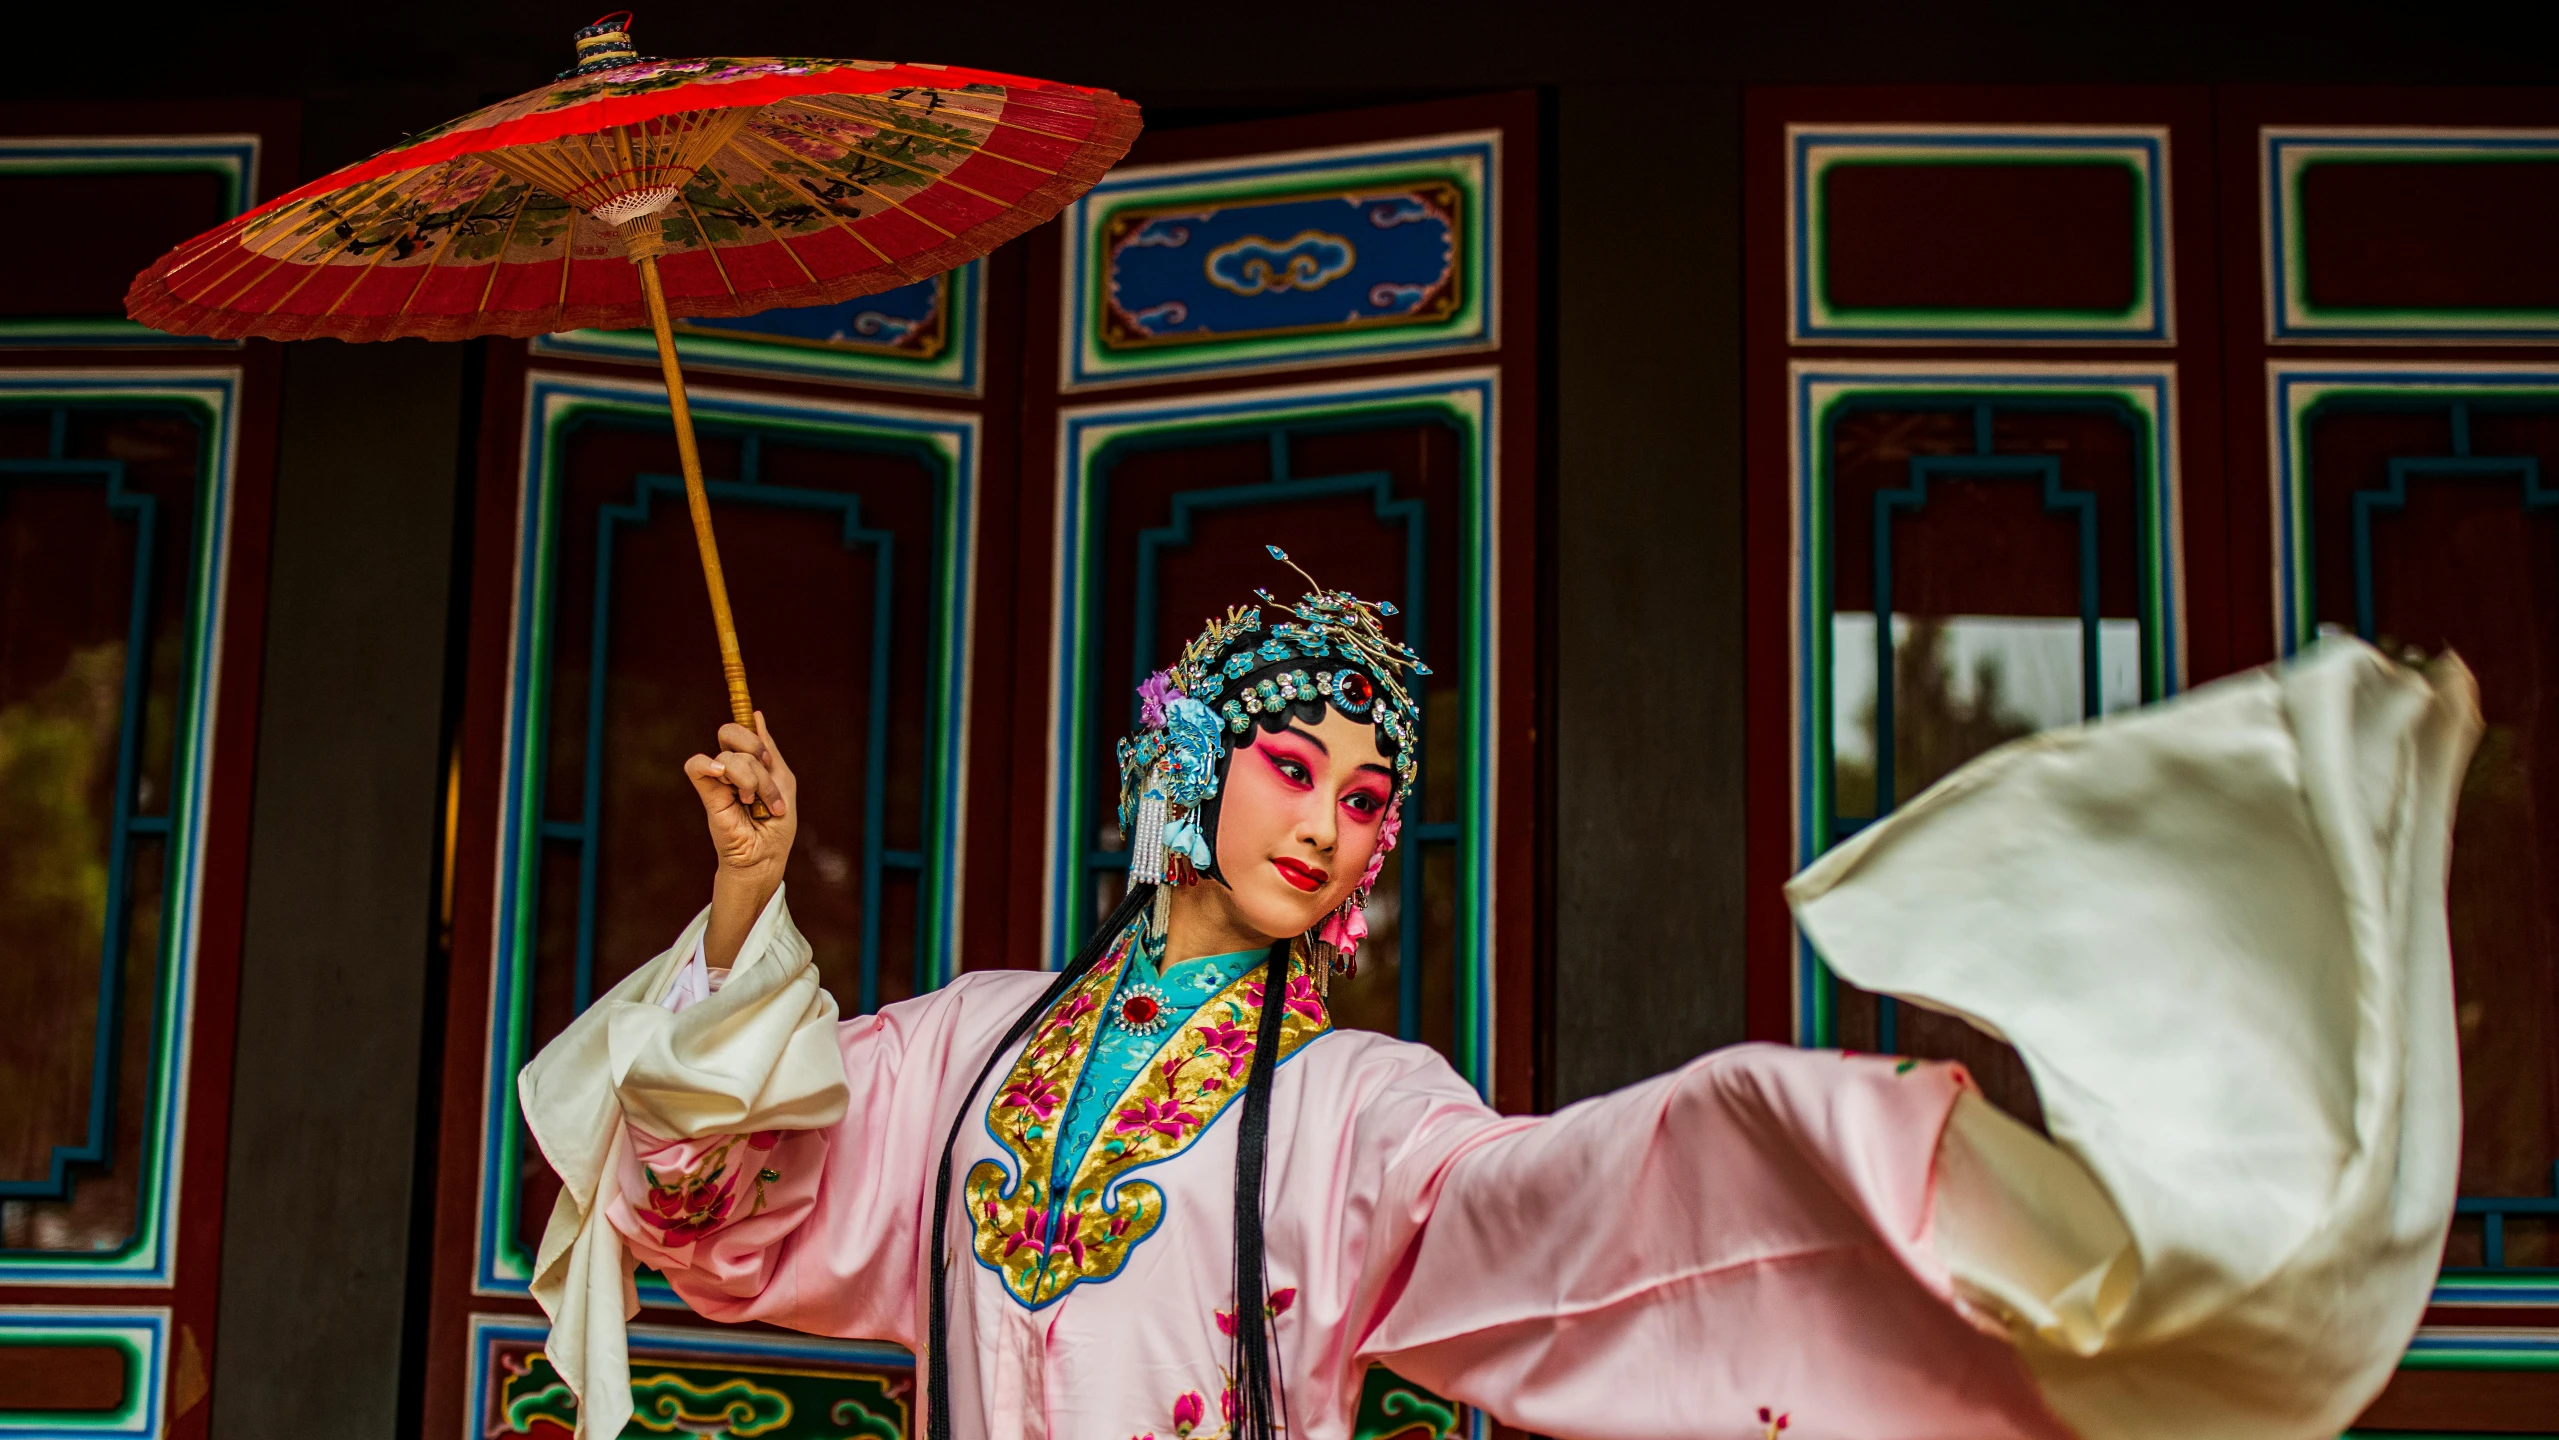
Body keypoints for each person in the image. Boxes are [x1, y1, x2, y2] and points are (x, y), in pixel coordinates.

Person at [522, 546, 2480, 1440]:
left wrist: (1802, 1144)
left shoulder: (1362, 1099)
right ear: (1186, 771)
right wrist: (749, 894)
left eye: (1370, 798)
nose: (1330, 819)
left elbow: (1553, 1227)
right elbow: (721, 1211)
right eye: (1292, 765)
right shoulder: (960, 1045)